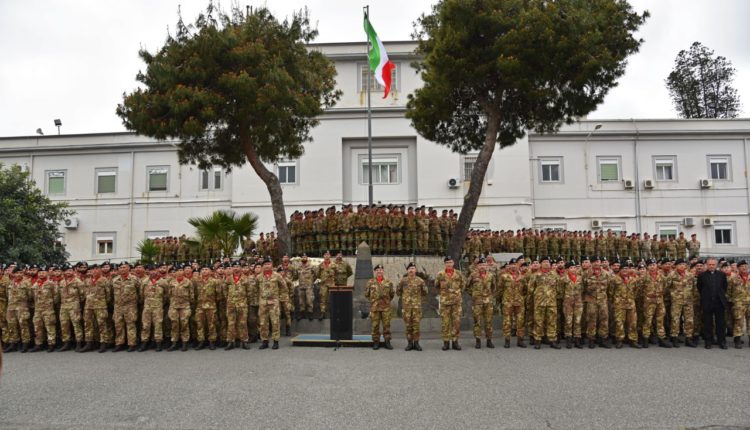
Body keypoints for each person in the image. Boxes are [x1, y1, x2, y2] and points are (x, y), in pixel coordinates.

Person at [435, 256, 466, 351]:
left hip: (456, 302)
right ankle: (446, 342)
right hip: (445, 302)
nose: (449, 264)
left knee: (456, 323)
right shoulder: (440, 274)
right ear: (445, 264)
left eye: (451, 262)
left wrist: (456, 294)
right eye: (447, 262)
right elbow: (436, 285)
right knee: (445, 323)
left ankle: (455, 342)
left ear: (453, 263)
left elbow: (463, 285)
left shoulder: (459, 274)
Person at [697, 257, 729, 349]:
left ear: (717, 265)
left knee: (721, 323)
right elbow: (699, 287)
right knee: (707, 323)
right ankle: (708, 341)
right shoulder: (702, 275)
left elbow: (724, 287)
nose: (711, 266)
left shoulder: (722, 275)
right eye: (709, 264)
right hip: (707, 302)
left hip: (719, 302)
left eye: (713, 264)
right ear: (706, 265)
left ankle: (721, 341)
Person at [396, 262, 427, 351]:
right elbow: (398, 292)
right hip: (406, 307)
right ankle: (409, 343)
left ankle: (416, 343)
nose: (411, 270)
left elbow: (425, 292)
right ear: (407, 270)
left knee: (416, 325)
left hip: (417, 307)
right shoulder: (403, 281)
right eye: (409, 269)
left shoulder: (420, 281)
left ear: (415, 270)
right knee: (408, 325)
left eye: (413, 268)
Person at [467, 257, 496, 349]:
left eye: (484, 265)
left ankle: (489, 340)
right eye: (480, 265)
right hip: (477, 302)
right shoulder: (473, 275)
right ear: (477, 266)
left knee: (489, 321)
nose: (482, 266)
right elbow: (467, 286)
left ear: (486, 265)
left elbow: (494, 287)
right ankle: (478, 340)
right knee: (477, 321)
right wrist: (474, 294)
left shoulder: (491, 275)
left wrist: (490, 296)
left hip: (488, 302)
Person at [365, 264, 395, 350]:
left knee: (387, 325)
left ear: (383, 271)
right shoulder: (370, 282)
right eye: (378, 270)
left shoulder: (388, 282)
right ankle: (376, 342)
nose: (379, 271)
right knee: (375, 326)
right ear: (375, 272)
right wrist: (374, 301)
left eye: (381, 270)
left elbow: (392, 294)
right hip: (375, 308)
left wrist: (386, 301)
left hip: (386, 307)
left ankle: (387, 342)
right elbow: (367, 294)